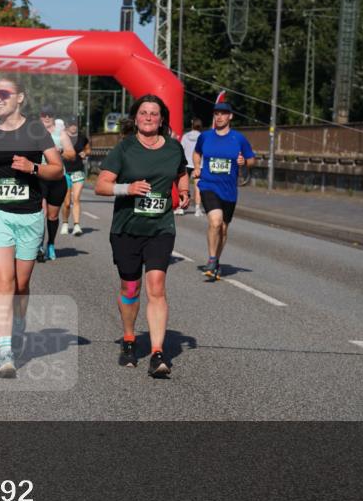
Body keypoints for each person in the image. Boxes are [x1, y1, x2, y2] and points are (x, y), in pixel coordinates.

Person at [0, 76, 63, 378]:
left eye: (4, 94)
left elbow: (56, 168)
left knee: (21, 285)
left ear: (20, 97)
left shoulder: (35, 130)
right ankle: (5, 351)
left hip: (29, 216)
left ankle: (19, 326)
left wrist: (33, 167)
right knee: (3, 282)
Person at [95, 94, 189, 376]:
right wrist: (127, 188)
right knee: (130, 289)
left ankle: (158, 353)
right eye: (144, 113)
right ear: (136, 119)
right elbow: (101, 185)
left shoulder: (173, 148)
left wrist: (184, 191)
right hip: (127, 228)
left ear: (162, 120)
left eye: (154, 114)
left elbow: (181, 172)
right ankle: (128, 339)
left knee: (157, 285)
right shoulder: (124, 149)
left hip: (160, 227)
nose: (149, 118)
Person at [193, 96, 256, 280]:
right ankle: (212, 259)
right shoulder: (205, 136)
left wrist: (244, 162)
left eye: (223, 114)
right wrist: (197, 167)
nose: (219, 117)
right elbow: (197, 153)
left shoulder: (239, 139)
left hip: (229, 189)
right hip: (208, 184)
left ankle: (216, 261)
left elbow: (252, 159)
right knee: (215, 221)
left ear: (230, 117)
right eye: (216, 114)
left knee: (224, 229)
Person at [37, 105, 76, 260]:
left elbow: (72, 154)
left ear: (53, 117)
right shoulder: (35, 133)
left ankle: (51, 243)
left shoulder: (61, 134)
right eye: (44, 115)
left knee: (52, 216)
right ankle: (38, 245)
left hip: (57, 178)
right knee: (41, 213)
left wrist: (59, 151)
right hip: (39, 177)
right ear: (40, 116)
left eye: (50, 115)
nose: (47, 118)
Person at [60, 117, 90, 236]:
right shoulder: (62, 137)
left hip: (78, 171)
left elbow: (88, 149)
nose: (74, 126)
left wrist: (85, 153)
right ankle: (65, 223)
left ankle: (77, 225)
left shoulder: (82, 138)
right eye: (71, 124)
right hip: (65, 172)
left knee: (76, 199)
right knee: (66, 203)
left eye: (76, 124)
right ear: (67, 125)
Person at [179, 118, 203, 216]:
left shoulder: (185, 136)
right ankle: (197, 209)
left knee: (184, 187)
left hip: (186, 164)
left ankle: (181, 207)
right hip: (198, 165)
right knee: (198, 187)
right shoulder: (202, 137)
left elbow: (181, 149)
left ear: (192, 125)